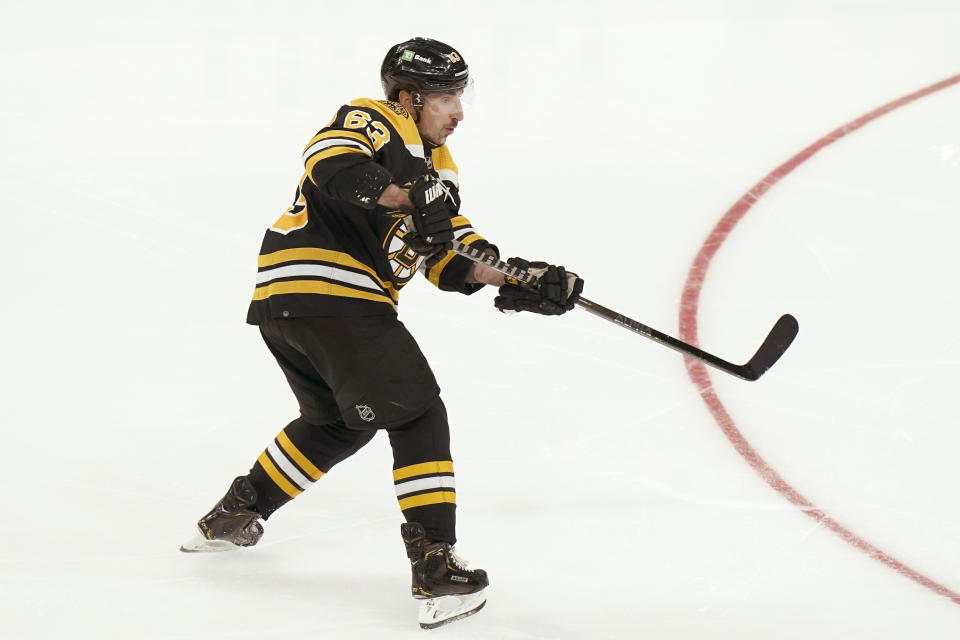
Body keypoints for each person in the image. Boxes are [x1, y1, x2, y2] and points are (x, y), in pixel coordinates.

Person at [180, 37, 583, 628]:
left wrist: (521, 279)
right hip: (335, 294)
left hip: (286, 305)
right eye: (446, 97)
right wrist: (404, 195)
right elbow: (328, 159)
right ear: (408, 97)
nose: (459, 112)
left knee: (338, 422)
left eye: (460, 96)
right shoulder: (376, 120)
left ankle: (236, 514)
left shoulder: (438, 172)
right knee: (417, 414)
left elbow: (446, 256)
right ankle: (436, 569)